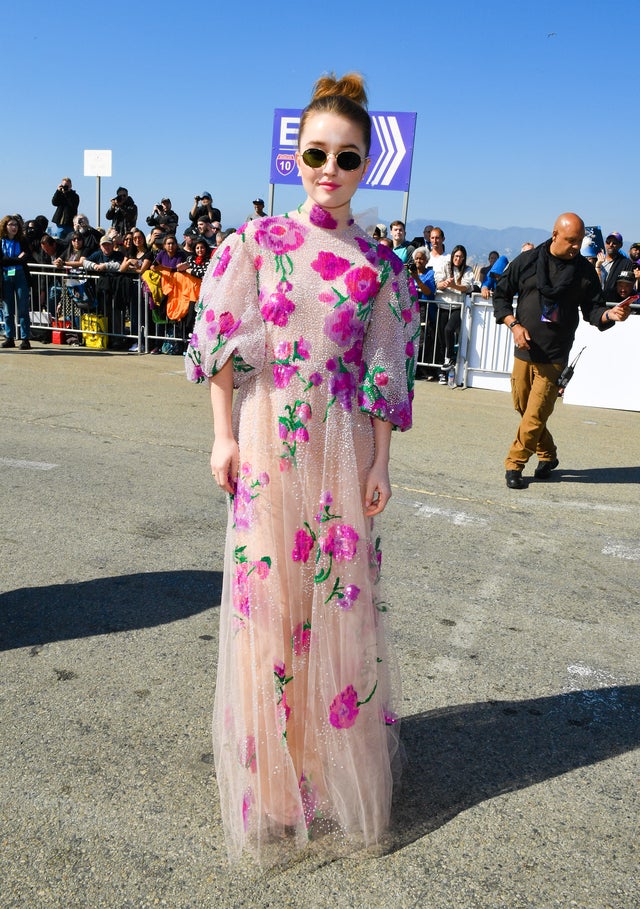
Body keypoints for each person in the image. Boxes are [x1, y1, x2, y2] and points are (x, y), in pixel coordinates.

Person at [185, 71, 418, 865]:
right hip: (267, 443)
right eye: (315, 152)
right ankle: (275, 780)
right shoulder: (255, 244)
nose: (329, 168)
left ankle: (323, 758)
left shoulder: (382, 267)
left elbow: (387, 368)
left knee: (335, 613)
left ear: (367, 165)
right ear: (295, 153)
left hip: (341, 449)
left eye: (347, 158)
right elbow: (220, 343)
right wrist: (222, 438)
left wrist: (382, 458)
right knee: (271, 607)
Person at [493, 212, 630, 489]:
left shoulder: (584, 271)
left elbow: (593, 310)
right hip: (524, 348)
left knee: (534, 415)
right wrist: (514, 325)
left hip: (555, 356)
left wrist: (610, 315)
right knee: (523, 407)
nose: (576, 246)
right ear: (555, 234)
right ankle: (548, 455)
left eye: (579, 241)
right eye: (570, 240)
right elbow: (501, 294)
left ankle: (514, 464)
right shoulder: (528, 261)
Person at [435, 244, 474, 382]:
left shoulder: (468, 270)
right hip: (443, 306)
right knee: (440, 339)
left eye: (461, 257)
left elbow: (467, 287)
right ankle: (442, 372)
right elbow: (438, 283)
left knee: (449, 329)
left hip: (458, 306)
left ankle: (450, 357)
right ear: (452, 256)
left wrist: (453, 286)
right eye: (456, 256)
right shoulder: (445, 266)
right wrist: (445, 283)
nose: (458, 259)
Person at [1, 215, 32, 349]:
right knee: (8, 309)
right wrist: (17, 259)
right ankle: (10, 337)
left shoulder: (22, 240)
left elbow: (27, 256)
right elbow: (2, 260)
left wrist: (13, 260)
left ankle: (25, 338)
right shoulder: (1, 240)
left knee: (23, 308)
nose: (14, 227)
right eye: (11, 225)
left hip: (20, 275)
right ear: (5, 226)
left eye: (16, 225)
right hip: (6, 276)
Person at [596, 231, 631, 301]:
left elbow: (626, 286)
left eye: (614, 243)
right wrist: (597, 266)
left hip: (613, 303)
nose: (611, 244)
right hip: (596, 301)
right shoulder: (596, 259)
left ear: (620, 245)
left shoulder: (626, 263)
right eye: (608, 242)